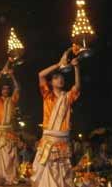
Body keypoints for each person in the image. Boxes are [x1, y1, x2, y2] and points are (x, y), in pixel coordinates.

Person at [31, 50, 82, 187]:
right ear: (51, 82)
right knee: (47, 169)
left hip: (63, 139)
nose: (60, 80)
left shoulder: (67, 97)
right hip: (49, 139)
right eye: (56, 78)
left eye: (62, 78)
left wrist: (76, 67)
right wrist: (58, 64)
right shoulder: (47, 95)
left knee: (62, 171)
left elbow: (77, 87)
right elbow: (41, 75)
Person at [0, 63, 21, 184]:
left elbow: (17, 88)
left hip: (9, 131)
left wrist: (12, 77)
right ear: (1, 91)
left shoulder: (12, 100)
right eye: (3, 89)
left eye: (8, 89)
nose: (6, 91)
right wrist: (0, 73)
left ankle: (9, 176)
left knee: (10, 155)